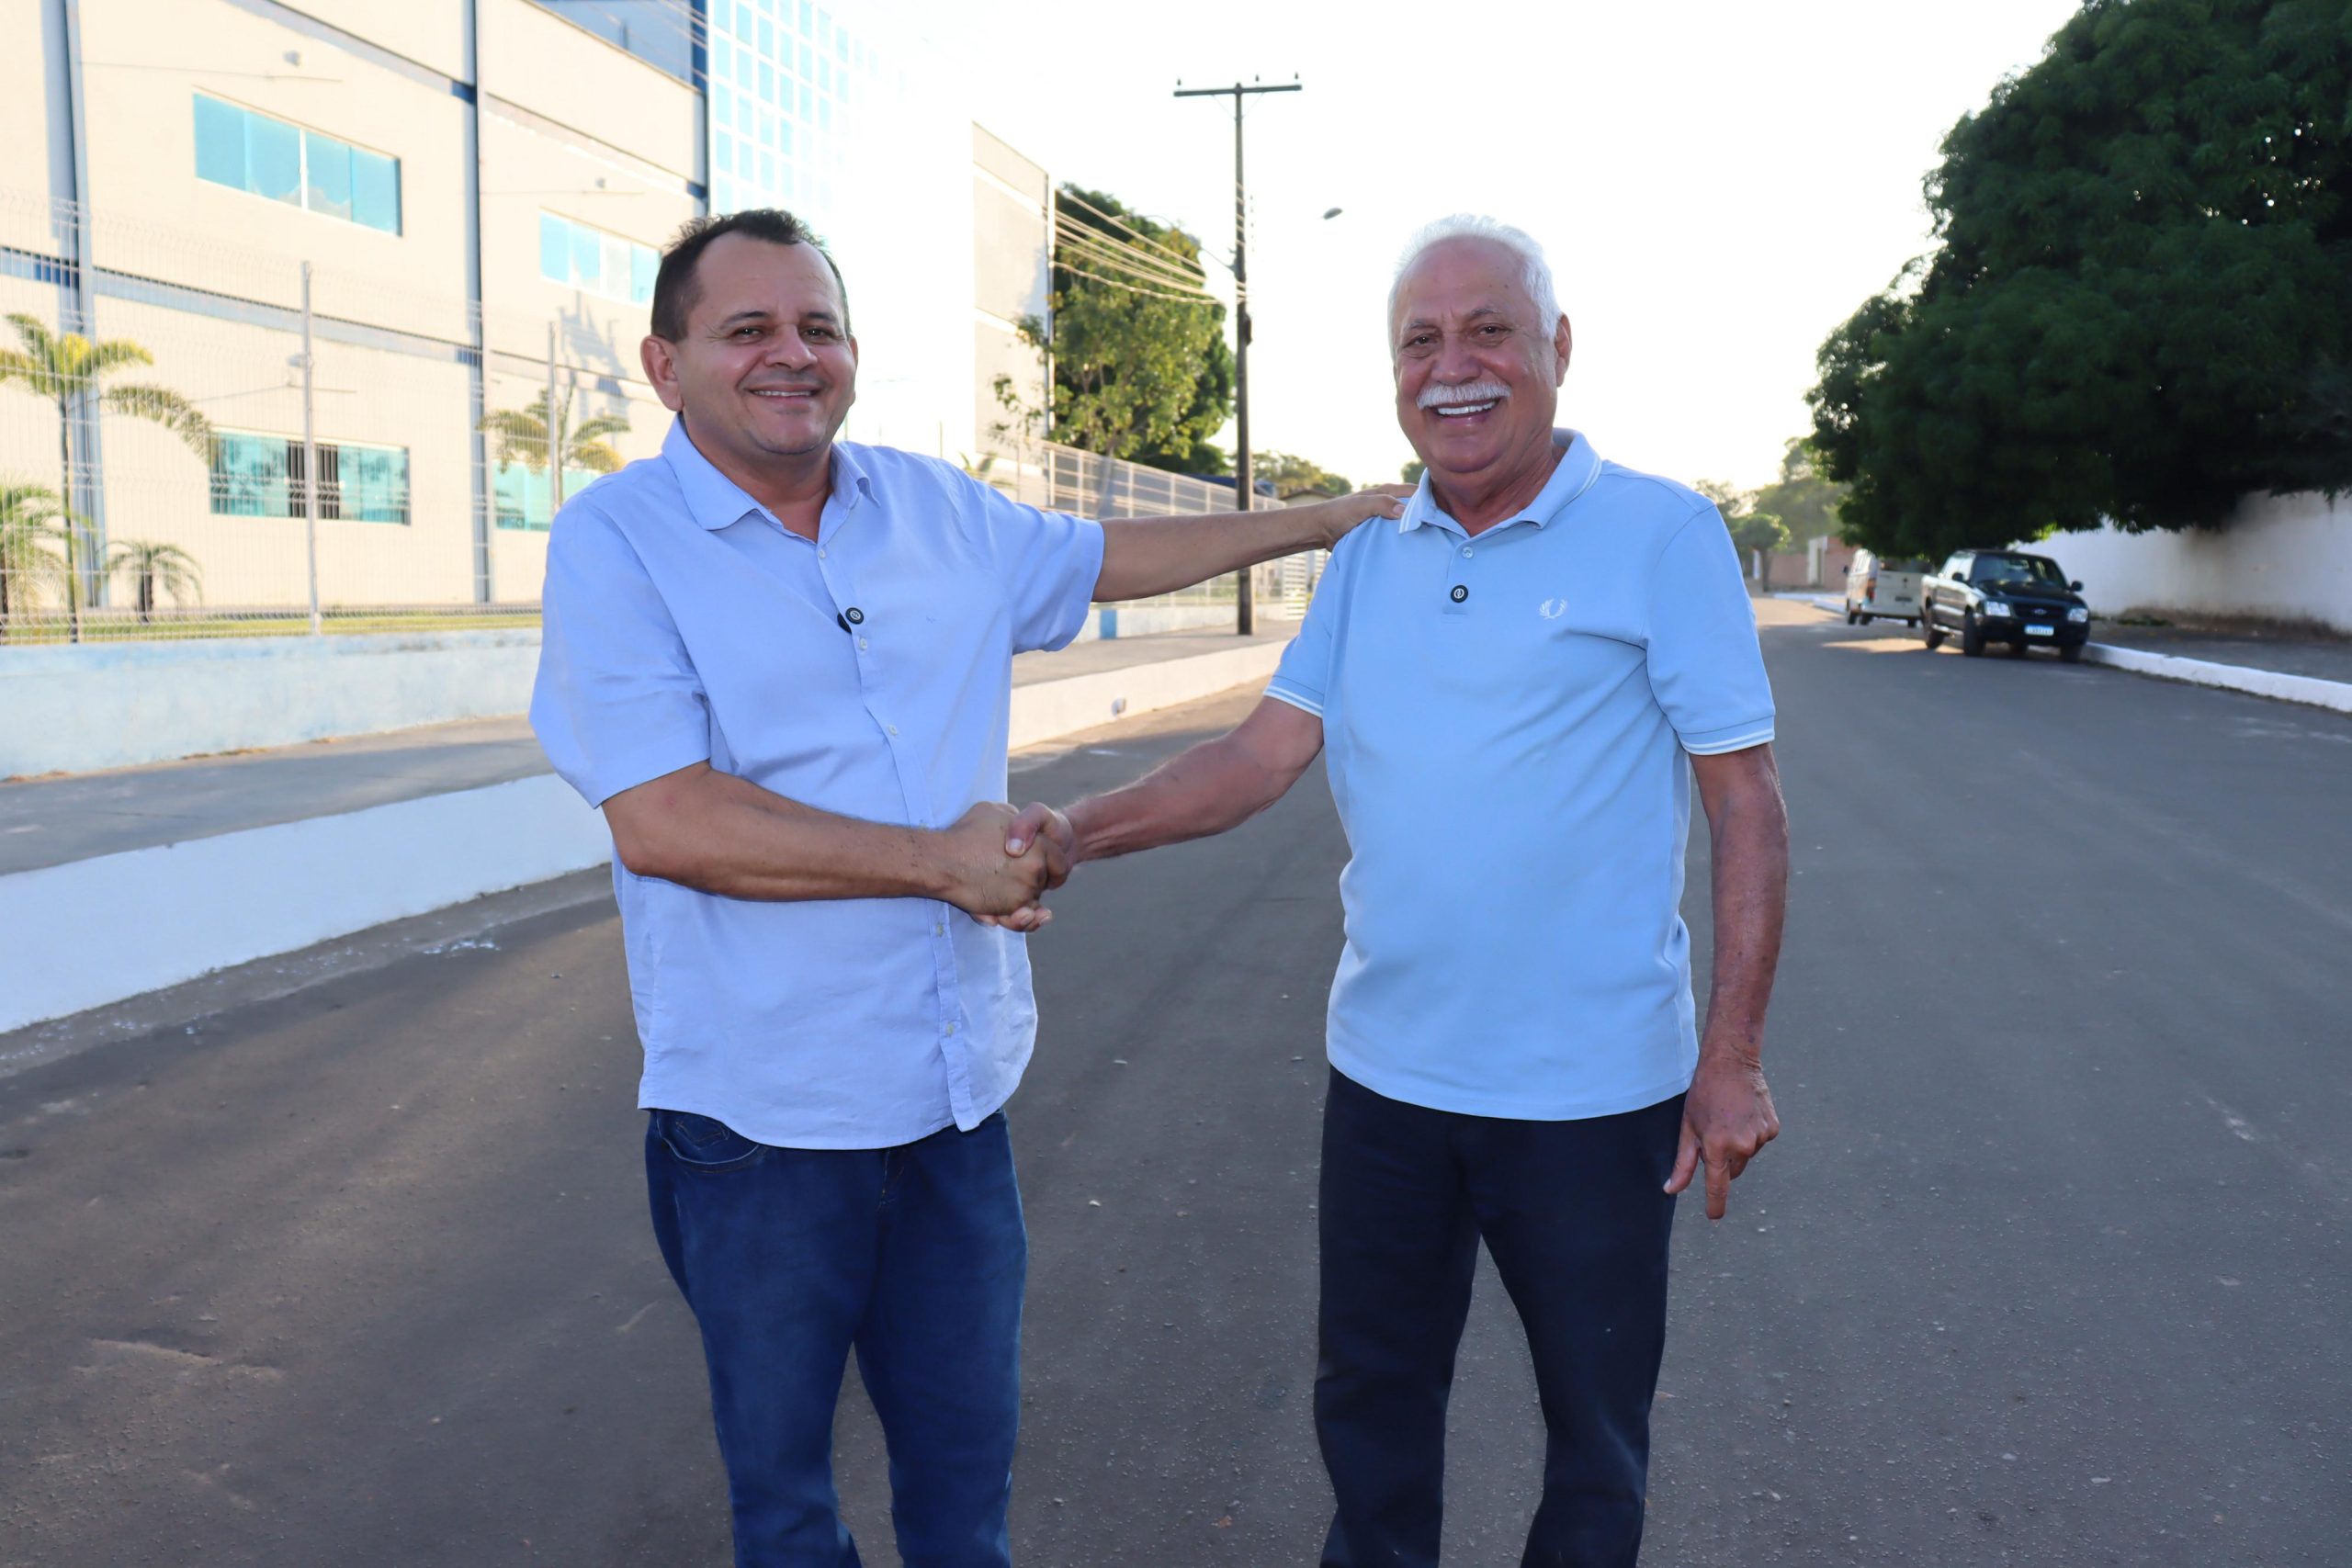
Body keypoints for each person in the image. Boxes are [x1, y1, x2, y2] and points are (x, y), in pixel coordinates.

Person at [527, 208, 1403, 1568]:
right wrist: (941, 863)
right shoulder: (616, 543)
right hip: (762, 1121)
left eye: (818, 327)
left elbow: (1104, 558)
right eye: (747, 328)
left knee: (963, 1491)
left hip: (951, 1107)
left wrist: (1333, 520)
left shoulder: (930, 508)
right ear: (665, 363)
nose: (791, 354)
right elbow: (667, 819)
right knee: (787, 1509)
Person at [998, 214, 1789, 1567]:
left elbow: (1746, 803)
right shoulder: (1370, 551)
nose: (1453, 367)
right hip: (1388, 1089)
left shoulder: (1661, 533)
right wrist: (1073, 828)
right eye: (1421, 341)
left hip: (1590, 1096)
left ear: (1558, 346)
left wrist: (1732, 1058)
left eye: (1489, 331)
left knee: (1595, 1442)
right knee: (1371, 1420)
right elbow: (1259, 758)